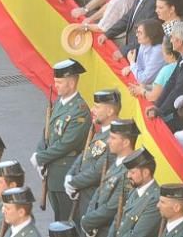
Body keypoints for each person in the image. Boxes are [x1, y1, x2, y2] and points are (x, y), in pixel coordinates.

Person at [32, 59, 92, 221]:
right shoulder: (59, 102)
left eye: (59, 82)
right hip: (52, 173)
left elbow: (67, 143)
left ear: (71, 83)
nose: (55, 85)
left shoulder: (80, 111)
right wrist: (40, 151)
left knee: (68, 221)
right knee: (58, 219)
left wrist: (41, 157)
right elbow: (48, 132)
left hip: (66, 172)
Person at [65, 90, 121, 222]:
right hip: (84, 197)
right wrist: (70, 174)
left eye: (97, 107)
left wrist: (73, 182)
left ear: (110, 111)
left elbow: (98, 170)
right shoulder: (102, 132)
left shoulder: (116, 137)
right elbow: (85, 154)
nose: (92, 109)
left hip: (95, 201)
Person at [112, 148, 162, 237]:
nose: (128, 176)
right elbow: (118, 221)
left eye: (132, 172)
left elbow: (138, 234)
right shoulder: (135, 189)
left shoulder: (155, 199)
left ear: (146, 173)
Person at [123, 19, 165, 84]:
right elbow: (140, 68)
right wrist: (131, 67)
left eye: (140, 33)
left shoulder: (158, 51)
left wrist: (132, 62)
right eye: (137, 32)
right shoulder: (144, 43)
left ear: (151, 34)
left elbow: (144, 80)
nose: (137, 35)